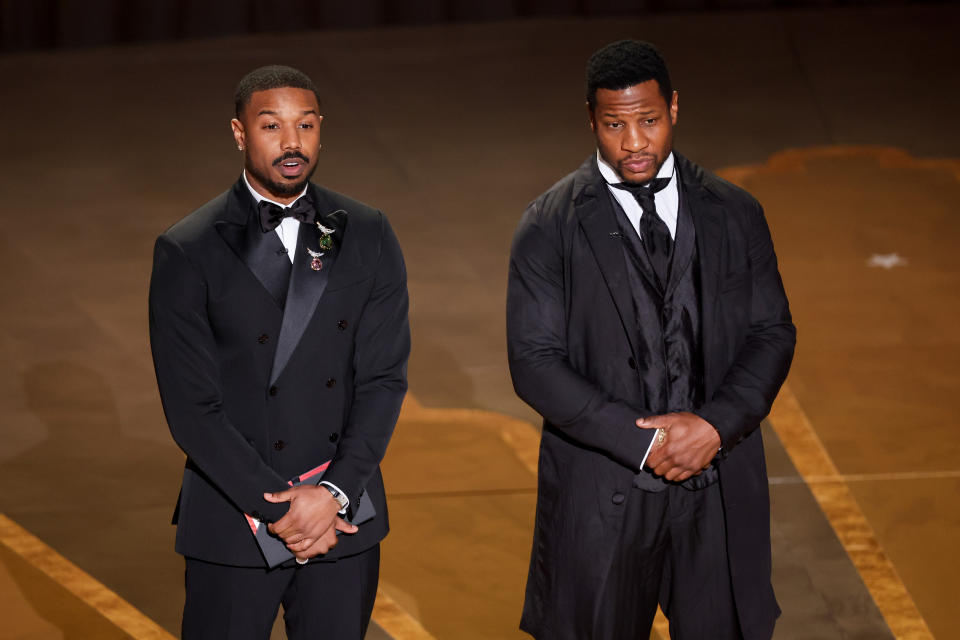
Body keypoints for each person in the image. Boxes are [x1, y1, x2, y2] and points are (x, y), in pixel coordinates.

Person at [506, 40, 795, 639]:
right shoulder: (547, 225)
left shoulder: (737, 212)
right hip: (601, 492)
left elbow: (772, 332)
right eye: (615, 125)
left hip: (718, 489)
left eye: (649, 121)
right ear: (591, 119)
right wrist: (648, 442)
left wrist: (714, 425)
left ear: (675, 109)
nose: (634, 142)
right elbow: (534, 362)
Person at [149, 65, 409, 639]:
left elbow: (383, 380)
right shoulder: (187, 249)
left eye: (306, 126)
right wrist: (282, 511)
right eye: (272, 126)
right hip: (233, 523)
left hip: (341, 524)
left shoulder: (368, 231)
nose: (292, 143)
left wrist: (334, 495)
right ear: (240, 134)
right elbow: (193, 409)